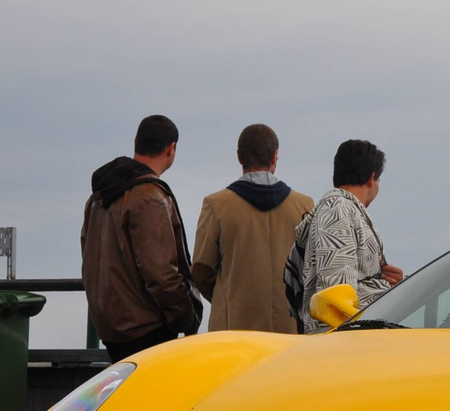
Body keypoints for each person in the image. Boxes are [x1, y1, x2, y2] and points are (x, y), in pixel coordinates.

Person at [81, 115, 202, 361]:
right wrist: (186, 317)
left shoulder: (98, 198)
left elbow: (89, 255)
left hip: (111, 327)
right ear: (171, 149)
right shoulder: (149, 198)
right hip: (147, 329)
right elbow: (161, 275)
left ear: (136, 141)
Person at [191, 124, 315, 334]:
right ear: (275, 157)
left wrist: (228, 295)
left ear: (239, 157)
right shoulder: (304, 206)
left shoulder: (216, 205)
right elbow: (312, 269)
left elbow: (201, 269)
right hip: (290, 331)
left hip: (234, 329)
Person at [299, 139, 404, 329]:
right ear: (372, 178)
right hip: (349, 341)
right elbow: (336, 296)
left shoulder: (343, 210)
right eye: (379, 179)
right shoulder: (337, 211)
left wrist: (388, 283)